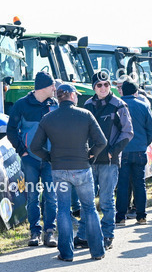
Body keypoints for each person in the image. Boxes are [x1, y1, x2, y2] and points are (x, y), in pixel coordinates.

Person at [31, 83, 107, 260]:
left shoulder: (48, 118)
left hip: (59, 170)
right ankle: (97, 251)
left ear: (58, 97)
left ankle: (66, 253)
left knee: (63, 210)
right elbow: (101, 142)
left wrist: (50, 157)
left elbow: (35, 147)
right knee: (89, 208)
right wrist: (90, 155)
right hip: (82, 168)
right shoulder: (85, 115)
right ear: (72, 96)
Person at [80, 72, 133, 250]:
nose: (103, 88)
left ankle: (108, 235)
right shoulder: (87, 104)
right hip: (90, 160)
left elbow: (128, 132)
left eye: (106, 84)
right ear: (93, 87)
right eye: (99, 85)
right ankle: (84, 235)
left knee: (106, 200)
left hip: (109, 162)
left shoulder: (119, 105)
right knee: (86, 200)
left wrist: (113, 152)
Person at [6, 72, 58, 247]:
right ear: (45, 86)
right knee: (33, 197)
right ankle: (34, 232)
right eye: (53, 86)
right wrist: (22, 152)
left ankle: (49, 232)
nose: (55, 89)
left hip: (50, 160)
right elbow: (11, 130)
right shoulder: (22, 105)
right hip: (31, 160)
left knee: (51, 196)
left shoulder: (54, 105)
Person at [116, 79, 152, 226]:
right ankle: (141, 216)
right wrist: (144, 143)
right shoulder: (143, 105)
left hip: (122, 150)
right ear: (135, 91)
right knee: (140, 183)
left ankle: (120, 217)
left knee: (122, 184)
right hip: (139, 149)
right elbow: (151, 129)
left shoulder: (117, 105)